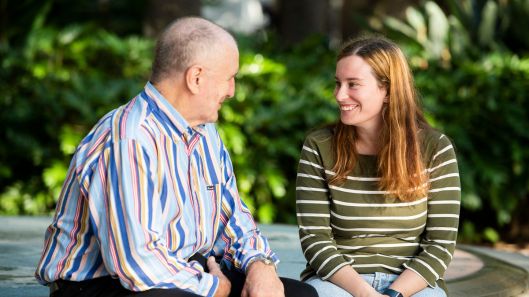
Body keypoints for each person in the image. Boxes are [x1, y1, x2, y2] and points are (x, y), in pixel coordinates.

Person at [35, 17, 318, 297]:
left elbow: (232, 219)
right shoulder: (129, 139)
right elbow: (136, 263)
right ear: (195, 78)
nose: (232, 91)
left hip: (182, 271)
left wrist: (260, 265)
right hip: (100, 286)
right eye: (229, 78)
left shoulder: (205, 132)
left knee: (299, 295)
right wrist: (215, 287)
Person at [295, 36, 461, 297]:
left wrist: (394, 294)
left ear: (388, 90)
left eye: (353, 85)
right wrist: (365, 293)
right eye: (338, 83)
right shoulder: (319, 147)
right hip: (338, 284)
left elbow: (440, 245)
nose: (339, 95)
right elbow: (315, 241)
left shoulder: (435, 149)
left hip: (411, 286)